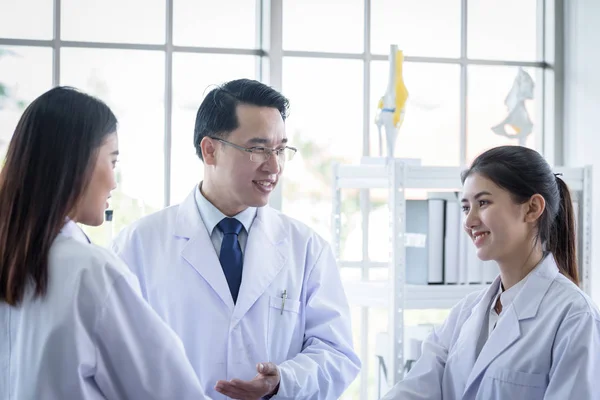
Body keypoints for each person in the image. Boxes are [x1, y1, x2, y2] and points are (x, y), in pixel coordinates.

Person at [111, 78, 361, 399]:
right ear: (210, 150)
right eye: (258, 149)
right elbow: (114, 355)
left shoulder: (307, 248)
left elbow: (337, 352)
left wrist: (282, 381)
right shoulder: (138, 245)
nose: (274, 166)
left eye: (281, 149)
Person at [0, 86, 208, 400]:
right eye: (112, 162)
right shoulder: (90, 271)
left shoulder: (12, 260)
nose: (113, 181)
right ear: (74, 162)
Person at [382, 145, 600, 400]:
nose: (469, 221)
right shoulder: (464, 314)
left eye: (483, 203)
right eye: (465, 207)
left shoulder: (575, 317)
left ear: (532, 208)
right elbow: (413, 392)